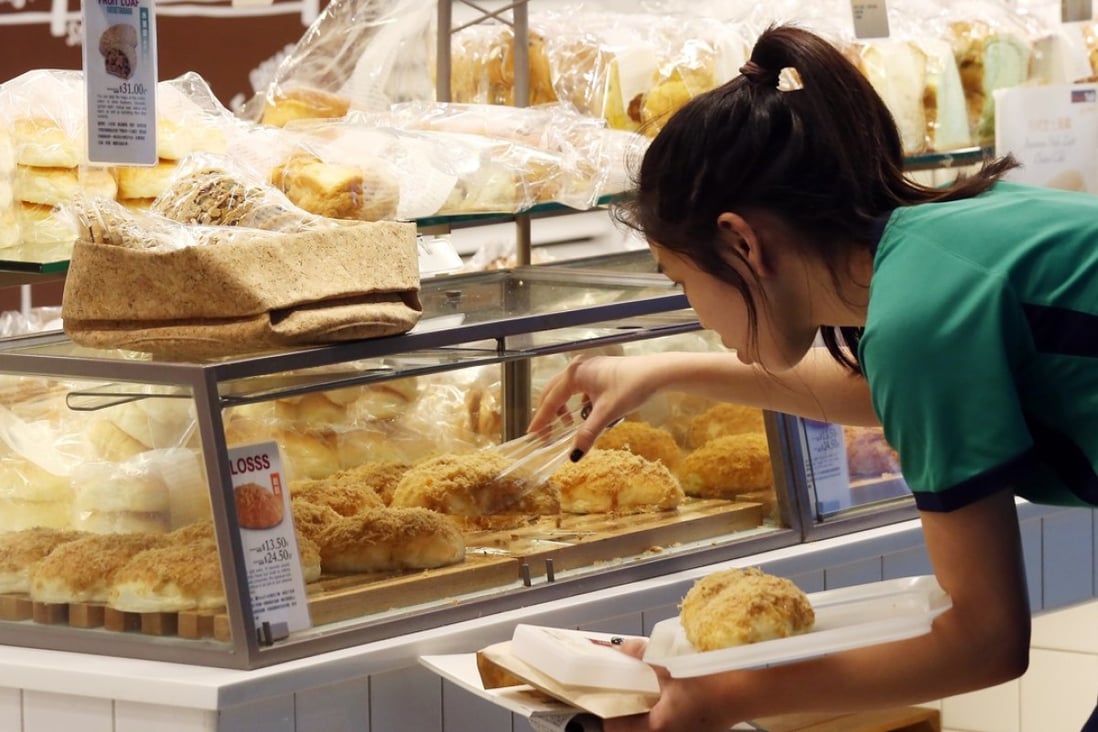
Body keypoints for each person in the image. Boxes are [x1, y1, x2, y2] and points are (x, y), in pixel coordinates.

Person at [528, 22, 1098, 732]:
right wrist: (660, 371)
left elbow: (986, 641)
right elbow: (875, 389)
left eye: (681, 281)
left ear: (741, 241)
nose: (693, 309)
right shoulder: (939, 243)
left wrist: (729, 696)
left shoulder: (920, 322)